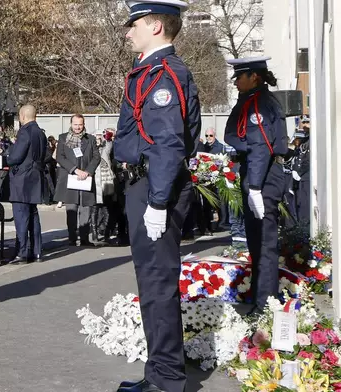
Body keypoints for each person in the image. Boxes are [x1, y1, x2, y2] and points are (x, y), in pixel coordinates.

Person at [113, 1, 201, 391]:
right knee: (153, 285)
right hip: (148, 183)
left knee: (157, 284)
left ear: (155, 26)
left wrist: (158, 202)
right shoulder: (153, 70)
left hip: (154, 186)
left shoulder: (163, 73)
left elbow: (167, 143)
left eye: (134, 24)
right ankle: (160, 374)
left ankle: (165, 380)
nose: (128, 31)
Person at [224, 56, 288, 315]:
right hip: (258, 173)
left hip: (261, 176)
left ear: (255, 77)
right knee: (257, 243)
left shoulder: (257, 105)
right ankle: (262, 298)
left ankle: (266, 305)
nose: (236, 82)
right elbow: (235, 136)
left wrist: (255, 188)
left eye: (240, 77)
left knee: (263, 245)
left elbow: (260, 148)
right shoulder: (253, 101)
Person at [6, 105, 48, 263]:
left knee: (21, 216)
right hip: (35, 178)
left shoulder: (25, 131)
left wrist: (7, 157)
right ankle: (37, 251)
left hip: (22, 179)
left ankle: (22, 252)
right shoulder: (40, 133)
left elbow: (16, 156)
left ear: (22, 115)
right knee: (33, 216)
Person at [53, 114, 101, 246]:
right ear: (71, 124)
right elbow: (60, 157)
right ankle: (72, 237)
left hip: (86, 177)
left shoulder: (90, 139)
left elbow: (96, 157)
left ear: (83, 124)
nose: (78, 127)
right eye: (75, 124)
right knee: (72, 209)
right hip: (70, 177)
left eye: (80, 124)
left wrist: (87, 171)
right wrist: (75, 169)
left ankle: (85, 238)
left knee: (85, 208)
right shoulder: (63, 138)